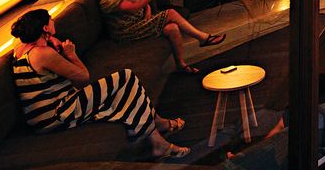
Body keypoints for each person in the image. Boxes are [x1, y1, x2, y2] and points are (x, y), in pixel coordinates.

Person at [10, 8, 190, 160]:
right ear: (45, 28)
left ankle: (156, 126)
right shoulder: (43, 54)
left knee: (125, 92)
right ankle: (157, 139)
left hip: (44, 115)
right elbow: (83, 77)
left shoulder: (20, 51)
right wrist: (72, 54)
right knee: (125, 77)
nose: (53, 20)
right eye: (50, 19)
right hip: (55, 114)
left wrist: (51, 40)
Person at [98, 0, 224, 74]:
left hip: (139, 24)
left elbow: (143, 4)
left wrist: (147, 15)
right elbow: (135, 6)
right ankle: (203, 38)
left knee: (172, 28)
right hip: (126, 32)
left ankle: (180, 65)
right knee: (170, 13)